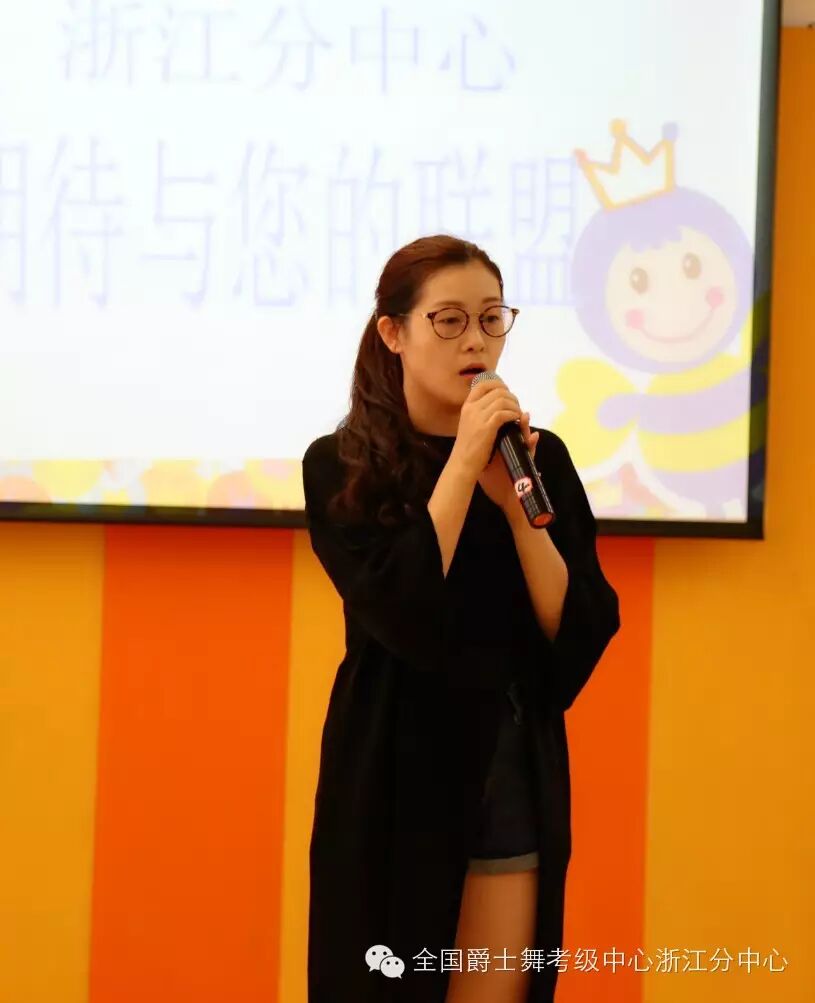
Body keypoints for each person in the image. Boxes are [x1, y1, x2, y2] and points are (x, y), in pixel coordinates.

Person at [301, 234, 621, 1003]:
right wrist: (460, 464)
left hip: (504, 773)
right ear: (393, 332)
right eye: (448, 320)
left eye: (490, 318)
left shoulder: (539, 459)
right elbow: (400, 607)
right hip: (392, 777)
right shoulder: (341, 464)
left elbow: (577, 630)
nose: (474, 340)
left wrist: (514, 512)